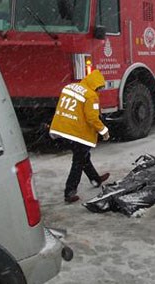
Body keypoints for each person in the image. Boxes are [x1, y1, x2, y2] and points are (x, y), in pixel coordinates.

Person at [49, 69, 111, 203]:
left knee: (83, 156)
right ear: (95, 85)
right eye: (99, 88)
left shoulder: (69, 87)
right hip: (75, 133)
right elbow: (92, 119)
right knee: (78, 161)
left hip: (59, 129)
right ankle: (69, 192)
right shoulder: (91, 96)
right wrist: (104, 131)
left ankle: (95, 179)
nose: (99, 91)